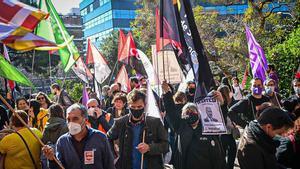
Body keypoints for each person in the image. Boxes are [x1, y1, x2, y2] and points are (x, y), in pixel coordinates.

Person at [162, 82, 225, 169]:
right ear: (182, 116)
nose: (190, 113)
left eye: (193, 111)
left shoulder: (208, 127)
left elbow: (221, 118)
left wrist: (221, 103)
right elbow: (170, 110)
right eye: (187, 112)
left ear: (199, 114)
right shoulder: (180, 126)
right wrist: (166, 93)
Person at [107, 89, 168, 169]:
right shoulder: (120, 123)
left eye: (139, 107)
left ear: (145, 105)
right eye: (133, 107)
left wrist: (149, 147)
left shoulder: (155, 122)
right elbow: (107, 138)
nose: (136, 109)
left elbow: (166, 146)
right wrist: (114, 157)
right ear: (128, 105)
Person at [42, 103, 115, 169]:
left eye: (75, 119)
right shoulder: (62, 142)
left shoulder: (100, 137)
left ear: (86, 120)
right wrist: (51, 160)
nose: (71, 122)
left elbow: (109, 165)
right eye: (68, 119)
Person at [218, 85, 238, 169]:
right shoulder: (222, 104)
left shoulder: (227, 103)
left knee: (231, 149)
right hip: (224, 132)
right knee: (228, 151)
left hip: (227, 132)